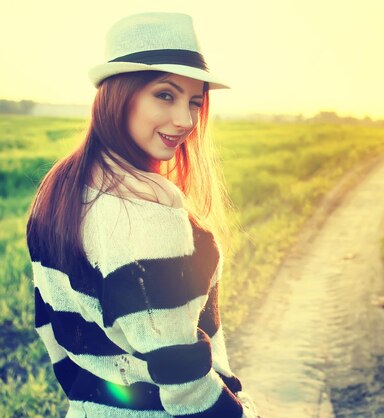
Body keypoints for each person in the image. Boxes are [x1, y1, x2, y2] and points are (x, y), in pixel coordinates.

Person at [25, 12, 259, 418]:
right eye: (165, 95)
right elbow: (184, 381)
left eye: (194, 102)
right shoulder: (143, 212)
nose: (185, 120)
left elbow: (53, 334)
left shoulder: (60, 188)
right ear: (119, 94)